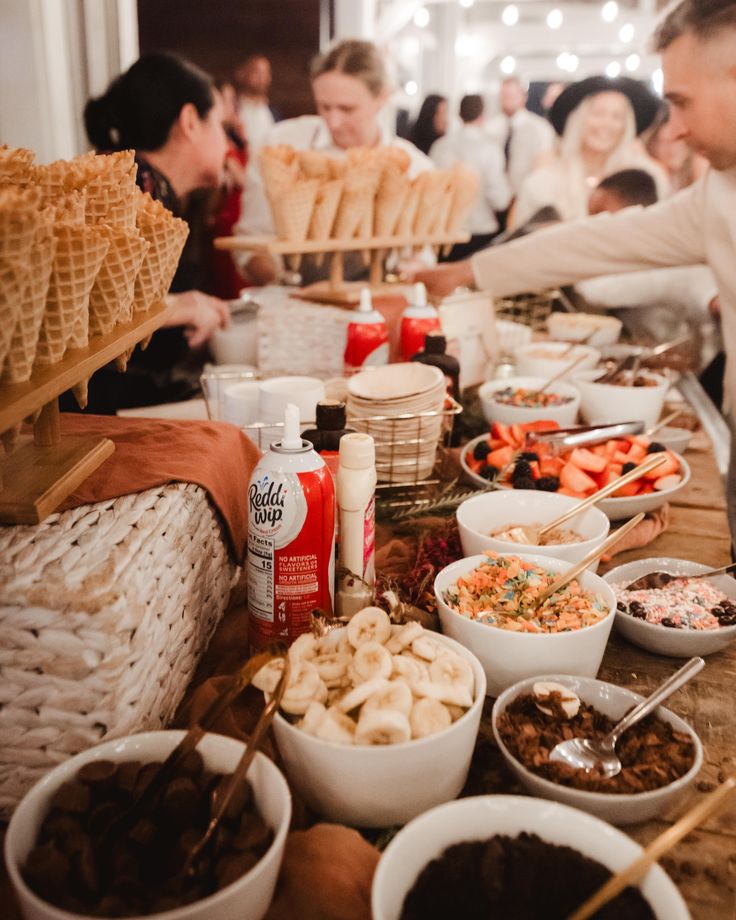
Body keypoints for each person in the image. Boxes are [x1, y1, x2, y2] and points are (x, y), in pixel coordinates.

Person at [412, 0, 736, 540]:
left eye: (682, 102)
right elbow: (596, 242)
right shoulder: (717, 194)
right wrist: (467, 271)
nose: (673, 130)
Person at [79, 52, 231, 412]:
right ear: (190, 121)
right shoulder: (123, 191)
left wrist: (196, 304)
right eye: (221, 125)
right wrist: (184, 307)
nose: (229, 144)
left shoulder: (149, 188)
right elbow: (93, 311)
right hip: (95, 418)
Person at [235, 39, 432, 286]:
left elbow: (423, 253)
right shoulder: (281, 147)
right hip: (292, 301)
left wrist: (409, 271)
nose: (333, 121)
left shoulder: (414, 167)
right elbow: (252, 239)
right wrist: (280, 277)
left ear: (382, 96)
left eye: (347, 109)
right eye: (324, 107)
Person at [510, 75, 667, 229]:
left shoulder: (646, 180)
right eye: (598, 114)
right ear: (578, 119)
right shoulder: (542, 183)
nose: (607, 124)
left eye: (617, 116)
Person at [429, 94, 512, 259]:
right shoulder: (490, 149)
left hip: (446, 232)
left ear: (459, 114)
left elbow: (432, 190)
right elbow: (500, 199)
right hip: (481, 232)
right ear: (482, 115)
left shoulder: (440, 146)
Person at [486, 76, 555, 196]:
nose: (508, 100)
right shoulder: (489, 129)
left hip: (525, 195)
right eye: (504, 96)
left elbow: (544, 165)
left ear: (523, 97)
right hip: (494, 197)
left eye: (512, 96)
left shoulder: (539, 128)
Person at [644, 104, 709, 193]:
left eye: (675, 142)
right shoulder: (654, 172)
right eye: (664, 143)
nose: (670, 149)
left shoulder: (699, 163)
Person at [233, 54, 280, 152]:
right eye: (256, 72)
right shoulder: (233, 110)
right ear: (242, 74)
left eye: (266, 73)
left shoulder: (274, 113)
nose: (262, 78)